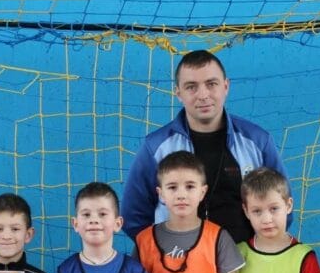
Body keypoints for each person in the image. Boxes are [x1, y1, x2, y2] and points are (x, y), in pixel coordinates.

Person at [122, 49, 289, 244]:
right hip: (178, 260)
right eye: (191, 87)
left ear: (226, 86)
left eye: (211, 84)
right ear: (178, 93)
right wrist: (163, 252)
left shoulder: (258, 142)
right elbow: (133, 216)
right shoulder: (155, 147)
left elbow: (282, 206)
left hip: (245, 259)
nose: (203, 95)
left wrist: (258, 252)